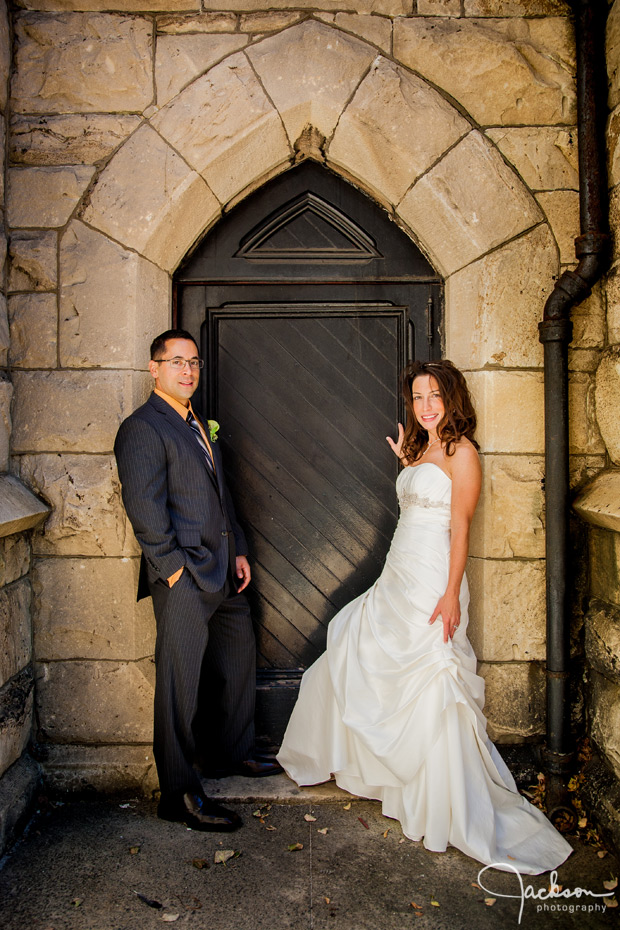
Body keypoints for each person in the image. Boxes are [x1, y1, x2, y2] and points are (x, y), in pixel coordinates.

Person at [277, 359, 572, 874]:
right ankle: (387, 776)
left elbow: (459, 529)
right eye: (417, 397)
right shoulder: (421, 448)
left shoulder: (464, 453)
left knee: (432, 679)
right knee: (352, 640)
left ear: (452, 398)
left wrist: (452, 593)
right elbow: (415, 507)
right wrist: (410, 464)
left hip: (435, 578)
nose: (427, 405)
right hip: (399, 572)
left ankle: (442, 803)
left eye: (435, 395)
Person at [114, 329, 281, 833]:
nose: (187, 371)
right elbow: (144, 508)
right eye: (176, 362)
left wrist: (240, 550)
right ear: (154, 368)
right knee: (179, 685)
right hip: (183, 577)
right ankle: (179, 792)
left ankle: (232, 754)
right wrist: (174, 571)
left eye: (194, 363)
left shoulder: (197, 425)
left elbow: (219, 494)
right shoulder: (143, 427)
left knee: (237, 657)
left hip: (224, 569)